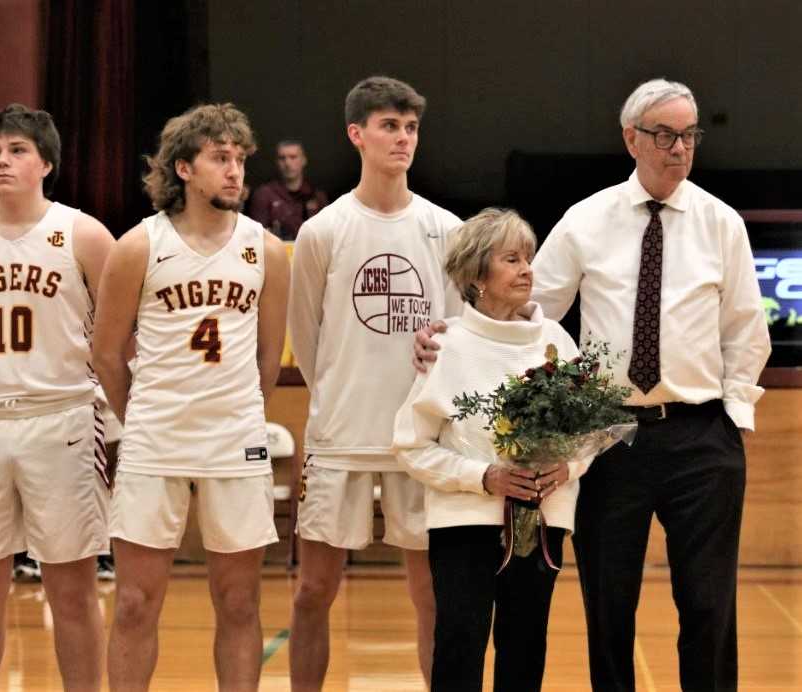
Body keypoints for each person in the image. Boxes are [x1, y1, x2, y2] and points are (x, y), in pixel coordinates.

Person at [414, 78, 771, 691]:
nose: (679, 148)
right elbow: (528, 308)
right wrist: (453, 333)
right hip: (610, 440)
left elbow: (745, 329)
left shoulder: (722, 223)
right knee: (609, 606)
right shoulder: (587, 220)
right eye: (664, 135)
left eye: (689, 135)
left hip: (702, 439)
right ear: (631, 138)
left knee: (709, 605)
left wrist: (730, 417)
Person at [93, 102, 289, 692]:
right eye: (218, 158)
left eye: (239, 159)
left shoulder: (266, 250)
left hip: (235, 439)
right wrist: (145, 416)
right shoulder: (137, 246)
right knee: (133, 602)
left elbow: (268, 361)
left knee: (237, 603)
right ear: (182, 168)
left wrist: (237, 415)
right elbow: (105, 353)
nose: (234, 171)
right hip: (157, 438)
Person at [287, 75, 463, 691]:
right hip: (340, 436)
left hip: (420, 440)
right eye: (390, 126)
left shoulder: (448, 229)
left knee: (432, 597)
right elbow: (307, 343)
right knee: (313, 591)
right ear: (356, 134)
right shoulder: (323, 231)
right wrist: (341, 392)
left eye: (411, 127)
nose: (404, 138)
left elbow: (463, 339)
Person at [0, 103, 114, 691]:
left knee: (71, 590)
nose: (2, 161)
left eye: (17, 150)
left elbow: (118, 335)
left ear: (46, 162)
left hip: (60, 419)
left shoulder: (85, 234)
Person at [393, 208, 590, 692]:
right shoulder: (446, 345)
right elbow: (410, 446)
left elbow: (588, 435)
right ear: (477, 274)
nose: (528, 269)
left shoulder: (557, 343)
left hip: (541, 521)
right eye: (511, 259)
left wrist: (567, 467)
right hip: (464, 525)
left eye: (528, 258)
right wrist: (482, 477)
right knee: (460, 644)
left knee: (525, 647)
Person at [249, 140, 328, 240]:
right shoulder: (263, 195)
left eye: (293, 157)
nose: (287, 163)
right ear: (277, 162)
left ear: (303, 160)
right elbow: (255, 238)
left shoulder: (317, 196)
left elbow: (327, 236)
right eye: (282, 158)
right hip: (276, 253)